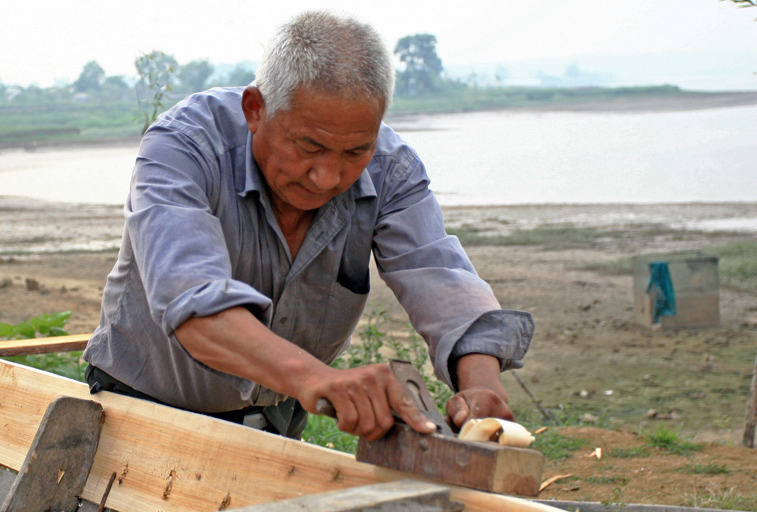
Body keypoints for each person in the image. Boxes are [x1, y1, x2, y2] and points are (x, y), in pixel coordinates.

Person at [83, 10, 534, 442]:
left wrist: (482, 388)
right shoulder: (184, 147)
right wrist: (318, 378)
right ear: (255, 109)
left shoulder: (391, 169)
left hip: (275, 424)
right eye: (309, 146)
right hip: (137, 412)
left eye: (355, 152)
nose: (328, 177)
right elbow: (191, 298)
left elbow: (440, 275)